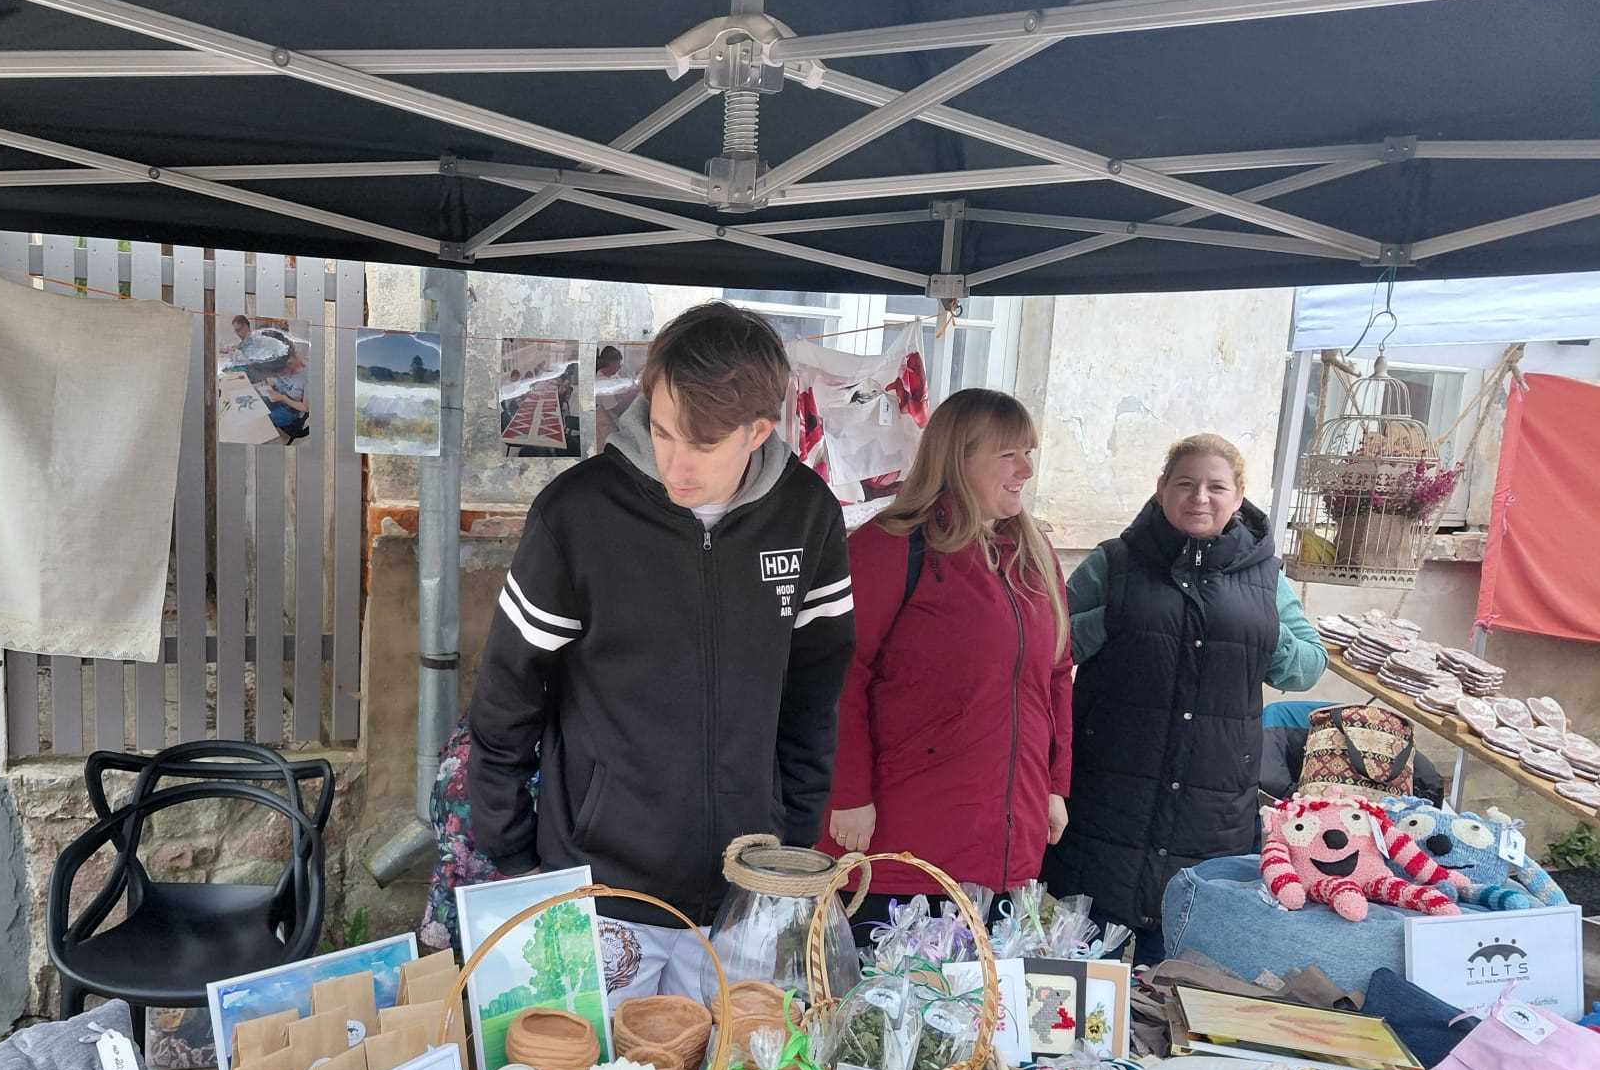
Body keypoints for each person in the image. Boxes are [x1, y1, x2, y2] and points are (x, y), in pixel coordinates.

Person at [470, 302, 855, 1002]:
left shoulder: (808, 516)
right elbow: (508, 694)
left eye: (703, 445)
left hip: (749, 891)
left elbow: (813, 695)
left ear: (758, 430)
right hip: (599, 891)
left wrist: (791, 842)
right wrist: (516, 853)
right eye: (662, 430)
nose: (676, 464)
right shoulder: (576, 515)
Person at [1044, 432, 1326, 964]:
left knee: (1180, 963)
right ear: (1161, 490)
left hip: (1212, 802)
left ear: (1238, 496)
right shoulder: (1114, 562)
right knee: (1085, 963)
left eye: (1216, 487)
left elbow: (1308, 666)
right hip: (1110, 793)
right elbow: (1049, 643)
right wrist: (1115, 619)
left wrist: (1264, 632)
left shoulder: (1266, 577)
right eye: (1185, 484)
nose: (1200, 497)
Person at [821, 388, 1073, 936]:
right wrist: (849, 793)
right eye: (1008, 455)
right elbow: (838, 674)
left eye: (1029, 453)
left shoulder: (1035, 556)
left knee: (986, 991)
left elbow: (1056, 678)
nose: (1026, 470)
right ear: (959, 459)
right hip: (903, 845)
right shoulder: (891, 547)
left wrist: (1054, 786)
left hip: (1005, 850)